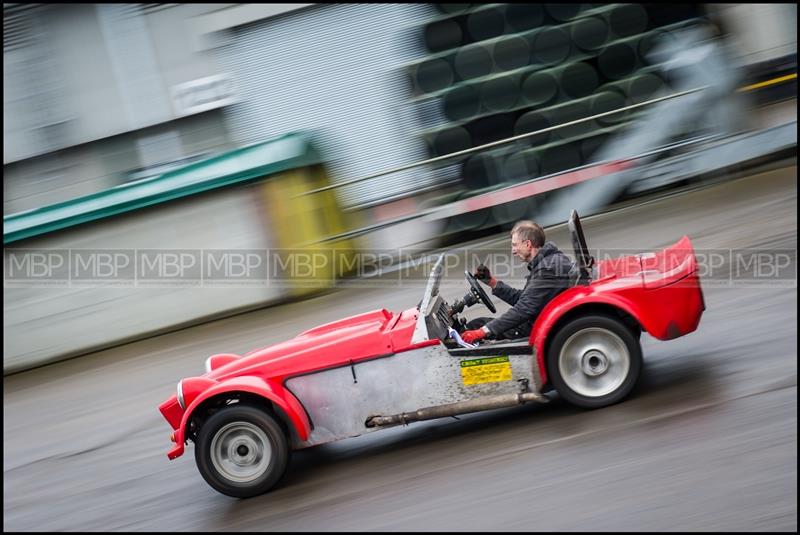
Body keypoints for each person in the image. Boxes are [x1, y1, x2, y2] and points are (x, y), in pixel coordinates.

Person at [460, 220, 574, 344]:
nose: (513, 251)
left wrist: (482, 332)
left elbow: (523, 308)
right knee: (479, 324)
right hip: (537, 320)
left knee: (474, 328)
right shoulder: (548, 262)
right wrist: (492, 283)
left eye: (515, 245)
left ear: (528, 244)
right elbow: (526, 299)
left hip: (534, 328)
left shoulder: (547, 269)